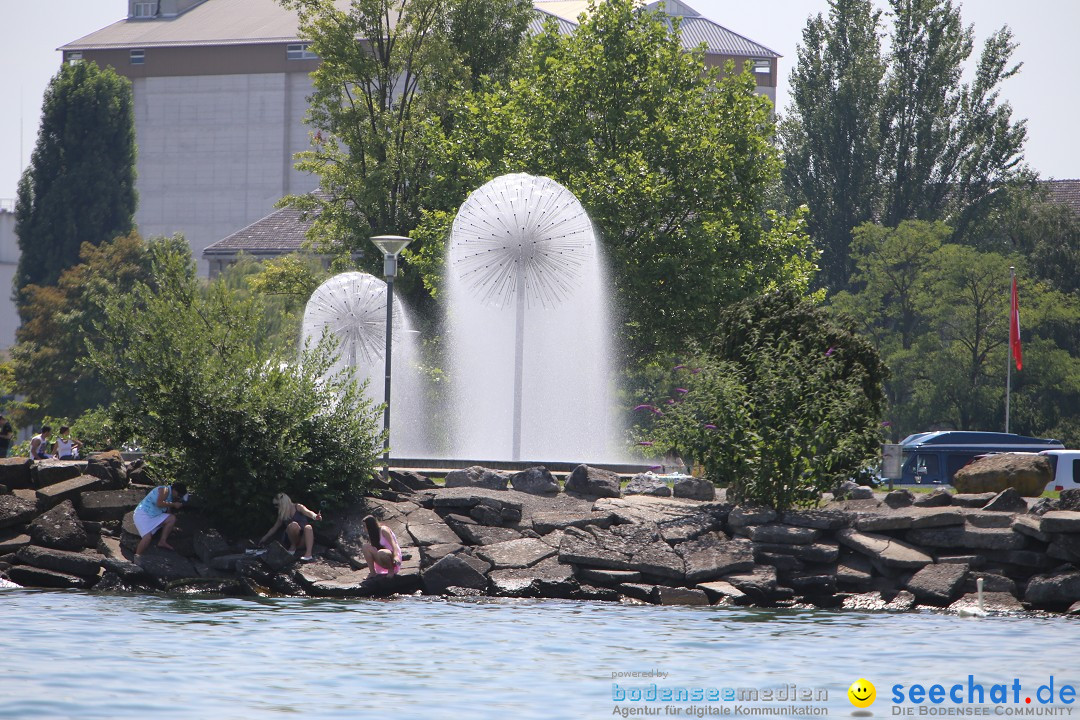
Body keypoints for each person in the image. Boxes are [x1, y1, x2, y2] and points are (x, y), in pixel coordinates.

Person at [133, 482, 187, 561]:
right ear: (174, 490)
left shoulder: (170, 497)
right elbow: (159, 503)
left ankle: (162, 541)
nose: (178, 496)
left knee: (172, 518)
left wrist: (171, 526)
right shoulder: (164, 490)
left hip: (154, 515)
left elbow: (168, 511)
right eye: (179, 494)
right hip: (143, 514)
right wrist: (174, 504)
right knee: (147, 537)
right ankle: (136, 557)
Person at [259, 493, 322, 562]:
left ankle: (308, 554)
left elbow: (308, 512)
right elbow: (275, 527)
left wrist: (315, 516)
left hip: (302, 540)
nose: (276, 507)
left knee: (308, 527)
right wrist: (264, 538)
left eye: (277, 505)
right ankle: (293, 546)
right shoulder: (282, 514)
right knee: (293, 525)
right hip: (291, 539)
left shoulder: (297, 507)